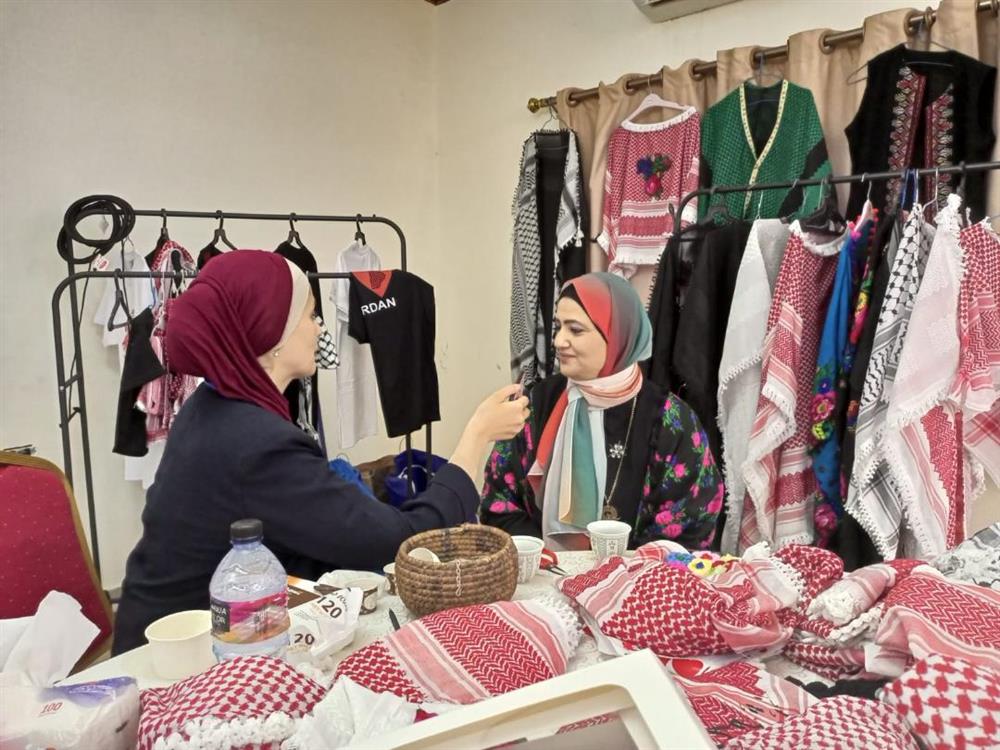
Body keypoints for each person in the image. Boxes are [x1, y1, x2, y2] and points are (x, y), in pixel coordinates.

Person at [113, 250, 528, 654]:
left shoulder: (211, 406)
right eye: (311, 316)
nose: (319, 329)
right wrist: (476, 438)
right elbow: (399, 543)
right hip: (185, 662)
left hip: (172, 635)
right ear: (272, 335)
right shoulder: (255, 443)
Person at [480, 272, 723, 551]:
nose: (559, 341)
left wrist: (618, 571)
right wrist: (543, 558)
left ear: (616, 335)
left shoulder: (670, 420)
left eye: (575, 330)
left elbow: (691, 520)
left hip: (638, 575)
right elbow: (498, 501)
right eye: (558, 327)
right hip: (543, 572)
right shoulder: (536, 403)